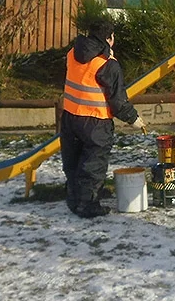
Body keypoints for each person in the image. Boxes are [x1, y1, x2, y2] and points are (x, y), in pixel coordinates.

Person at [60, 18, 146, 218]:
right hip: (96, 122)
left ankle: (75, 199)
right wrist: (134, 119)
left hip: (70, 116)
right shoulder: (108, 64)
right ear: (110, 38)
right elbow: (118, 101)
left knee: (73, 161)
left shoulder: (73, 53)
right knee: (93, 164)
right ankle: (88, 205)